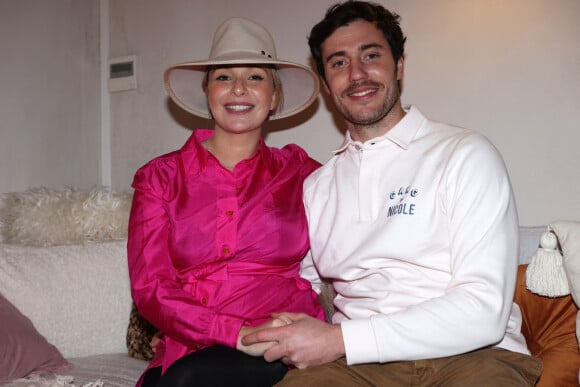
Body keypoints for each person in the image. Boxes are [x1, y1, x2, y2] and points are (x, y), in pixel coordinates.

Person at [241, 1, 543, 385]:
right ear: (325, 83)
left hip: (475, 358)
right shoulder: (317, 187)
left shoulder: (465, 153)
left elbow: (483, 311)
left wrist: (339, 338)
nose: (356, 74)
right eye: (338, 63)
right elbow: (308, 288)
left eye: (371, 55)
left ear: (399, 65)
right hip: (356, 368)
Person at [127, 17, 326, 387]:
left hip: (282, 335)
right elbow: (150, 287)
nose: (238, 89)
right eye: (223, 77)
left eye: (255, 77)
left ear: (274, 96)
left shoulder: (302, 172)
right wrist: (235, 334)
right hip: (191, 340)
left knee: (188, 380)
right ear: (208, 92)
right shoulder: (159, 177)